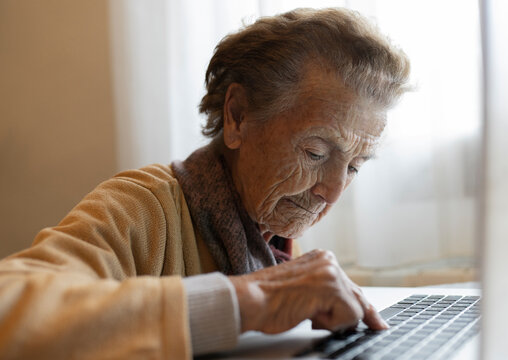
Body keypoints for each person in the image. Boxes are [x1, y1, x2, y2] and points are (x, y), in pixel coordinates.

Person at [0, 7, 410, 359]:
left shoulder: (270, 244)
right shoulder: (144, 206)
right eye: (316, 153)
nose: (333, 191)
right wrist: (252, 299)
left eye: (355, 166)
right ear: (237, 117)